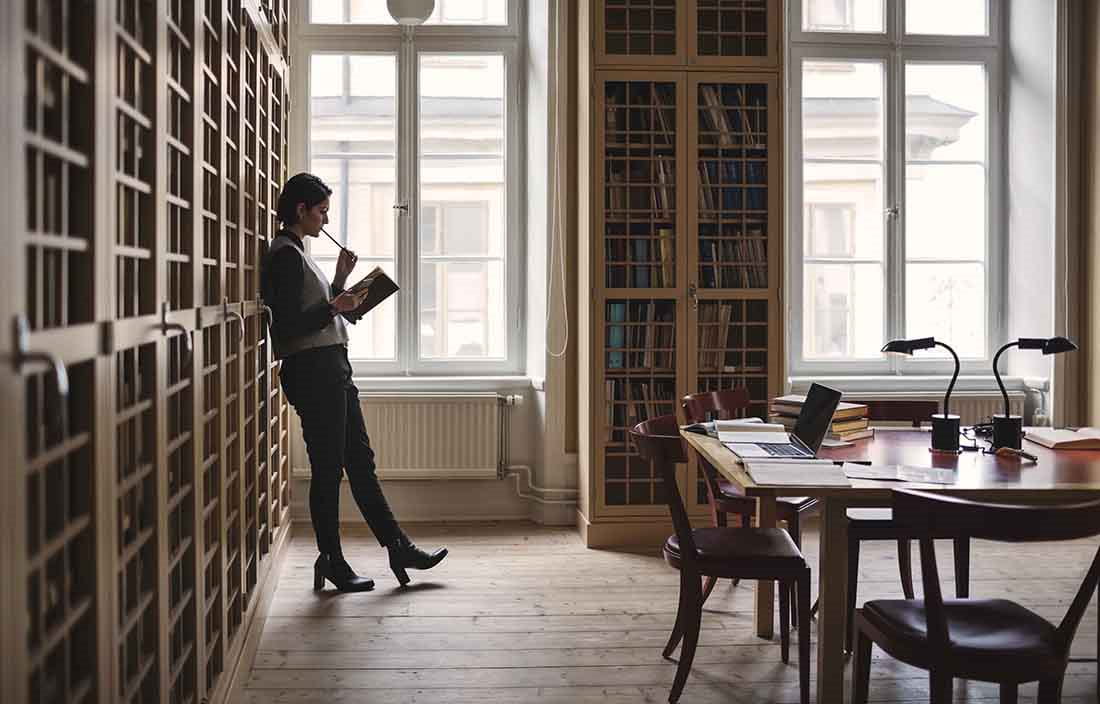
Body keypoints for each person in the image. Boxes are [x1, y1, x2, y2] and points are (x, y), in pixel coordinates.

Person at [261, 172, 447, 592]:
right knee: (329, 469)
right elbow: (288, 330)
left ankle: (397, 546)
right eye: (321, 211)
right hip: (314, 372)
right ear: (300, 210)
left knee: (360, 462)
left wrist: (341, 283)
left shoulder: (299, 253)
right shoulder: (285, 255)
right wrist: (334, 304)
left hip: (332, 369)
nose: (325, 221)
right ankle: (332, 561)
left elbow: (321, 312)